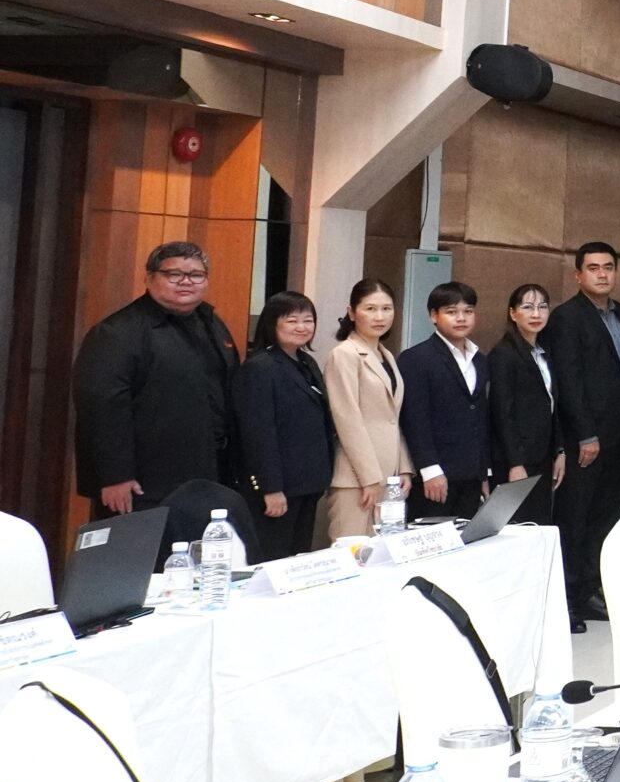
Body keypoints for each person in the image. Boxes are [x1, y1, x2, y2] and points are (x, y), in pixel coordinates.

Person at [74, 240, 238, 515]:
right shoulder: (117, 333)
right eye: (174, 274)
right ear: (149, 278)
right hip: (143, 482)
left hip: (207, 471)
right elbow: (101, 409)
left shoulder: (212, 323)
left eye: (196, 275)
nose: (186, 282)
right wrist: (115, 476)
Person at [541, 242, 620, 623]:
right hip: (586, 441)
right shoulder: (566, 318)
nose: (602, 274)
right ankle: (566, 599)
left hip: (619, 437)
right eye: (593, 268)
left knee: (603, 518)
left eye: (608, 267)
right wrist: (585, 435)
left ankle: (589, 590)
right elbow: (569, 381)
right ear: (578, 275)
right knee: (575, 519)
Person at [231, 291, 332, 562]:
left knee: (298, 559)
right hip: (278, 487)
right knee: (273, 559)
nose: (302, 327)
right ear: (272, 323)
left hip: (307, 482)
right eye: (292, 320)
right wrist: (270, 487)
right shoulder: (260, 367)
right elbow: (258, 433)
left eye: (308, 320)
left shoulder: (306, 363)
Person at [321, 279, 411, 544]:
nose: (379, 317)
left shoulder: (386, 355)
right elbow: (347, 418)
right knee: (352, 551)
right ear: (351, 313)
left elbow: (392, 418)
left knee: (383, 553)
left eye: (386, 309)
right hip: (355, 477)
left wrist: (404, 467)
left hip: (389, 475)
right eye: (370, 309)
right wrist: (369, 477)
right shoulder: (344, 354)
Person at [397, 282, 490, 521]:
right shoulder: (416, 358)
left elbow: (480, 417)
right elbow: (414, 419)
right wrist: (429, 469)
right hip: (435, 475)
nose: (461, 318)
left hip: (471, 474)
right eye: (451, 311)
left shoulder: (480, 360)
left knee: (466, 538)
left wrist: (482, 472)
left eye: (468, 311)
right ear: (433, 316)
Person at [484, 284, 564, 534]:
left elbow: (552, 404)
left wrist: (559, 450)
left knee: (538, 526)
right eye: (528, 307)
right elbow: (502, 412)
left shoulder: (544, 352)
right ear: (512, 313)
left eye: (542, 307)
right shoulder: (503, 354)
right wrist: (515, 463)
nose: (536, 314)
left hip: (542, 455)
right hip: (515, 459)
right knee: (516, 529)